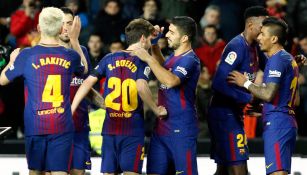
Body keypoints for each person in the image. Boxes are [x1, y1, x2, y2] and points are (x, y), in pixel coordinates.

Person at [71, 18, 167, 175]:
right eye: (150, 39)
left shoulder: (108, 58)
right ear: (143, 38)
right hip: (132, 130)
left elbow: (86, 83)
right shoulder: (143, 61)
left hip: (110, 129)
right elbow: (142, 86)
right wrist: (157, 110)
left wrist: (72, 108)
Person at [0, 7, 87, 175]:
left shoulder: (26, 56)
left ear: (39, 28)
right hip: (62, 124)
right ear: (62, 28)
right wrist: (75, 41)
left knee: (35, 172)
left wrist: (12, 60)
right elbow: (83, 69)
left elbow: (2, 80)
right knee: (60, 172)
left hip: (35, 126)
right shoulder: (71, 56)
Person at [228, 17, 299, 175]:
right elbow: (295, 99)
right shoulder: (288, 59)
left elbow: (267, 94)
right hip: (286, 122)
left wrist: (245, 83)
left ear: (274, 38)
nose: (258, 38)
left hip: (277, 125)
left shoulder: (277, 60)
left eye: (262, 34)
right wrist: (265, 108)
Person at [130, 16, 200, 175]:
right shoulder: (174, 58)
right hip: (161, 129)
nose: (167, 35)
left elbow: (171, 80)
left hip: (182, 129)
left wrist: (147, 56)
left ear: (184, 38)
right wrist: (154, 45)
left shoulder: (190, 60)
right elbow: (164, 67)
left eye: (171, 32)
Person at [208, 6, 268, 175]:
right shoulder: (236, 46)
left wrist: (292, 63)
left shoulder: (255, 48)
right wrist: (247, 98)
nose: (265, 31)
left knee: (224, 169)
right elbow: (218, 83)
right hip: (223, 114)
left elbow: (272, 67)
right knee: (239, 167)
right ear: (250, 25)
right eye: (262, 26)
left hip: (233, 113)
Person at [59, 7, 103, 175]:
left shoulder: (82, 51)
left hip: (80, 128)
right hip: (57, 128)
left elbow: (85, 86)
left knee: (78, 172)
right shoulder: (47, 53)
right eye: (61, 23)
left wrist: (107, 106)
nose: (65, 28)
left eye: (69, 23)